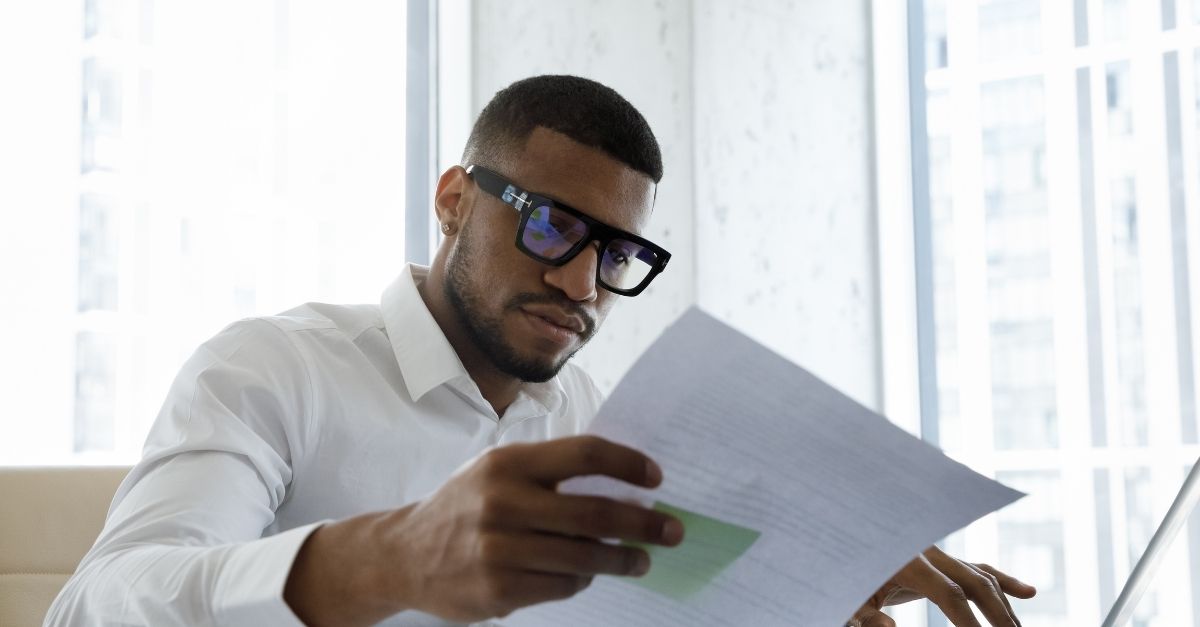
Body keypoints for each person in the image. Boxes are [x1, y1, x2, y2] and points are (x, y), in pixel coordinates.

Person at [46, 75, 1036, 627]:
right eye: (553, 227)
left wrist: (806, 588)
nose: (582, 285)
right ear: (454, 201)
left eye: (618, 254)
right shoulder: (270, 370)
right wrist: (387, 557)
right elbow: (91, 608)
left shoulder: (597, 420)